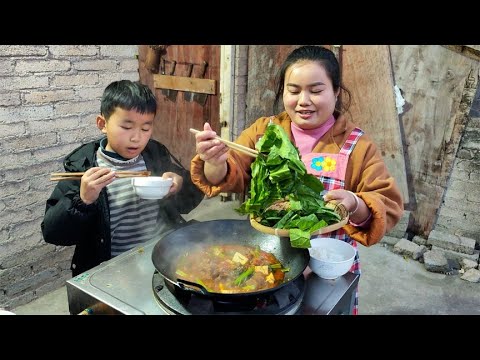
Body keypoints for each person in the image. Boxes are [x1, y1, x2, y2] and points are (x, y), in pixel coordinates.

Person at [190, 45, 404, 314]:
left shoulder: (357, 145)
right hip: (266, 258)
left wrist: (355, 203)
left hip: (325, 267)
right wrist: (214, 161)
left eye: (316, 90)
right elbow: (228, 176)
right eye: (293, 91)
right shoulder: (264, 132)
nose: (303, 100)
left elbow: (386, 204)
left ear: (336, 91)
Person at [42, 80, 204, 276]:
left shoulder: (154, 154)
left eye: (145, 128)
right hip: (114, 268)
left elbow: (188, 202)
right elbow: (53, 233)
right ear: (102, 124)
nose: (137, 137)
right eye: (127, 127)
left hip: (161, 255)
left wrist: (179, 185)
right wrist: (83, 201)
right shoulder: (84, 167)